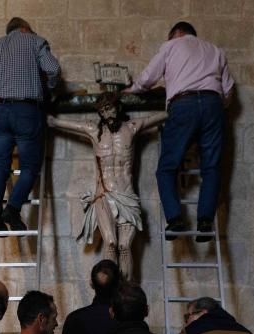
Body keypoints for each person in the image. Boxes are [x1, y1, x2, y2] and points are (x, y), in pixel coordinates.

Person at [123, 21, 234, 239]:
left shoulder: (171, 46)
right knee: (211, 167)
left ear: (177, 34)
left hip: (183, 105)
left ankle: (175, 220)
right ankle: (204, 222)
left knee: (167, 167)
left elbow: (147, 77)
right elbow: (228, 90)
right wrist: (215, 106)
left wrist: (131, 89)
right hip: (213, 104)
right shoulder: (215, 50)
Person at [48, 93, 166, 279]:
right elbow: (58, 123)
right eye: (102, 111)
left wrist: (180, 104)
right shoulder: (95, 131)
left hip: (127, 195)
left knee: (124, 246)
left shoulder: (132, 128)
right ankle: (108, 291)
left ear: (117, 108)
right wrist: (47, 117)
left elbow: (162, 116)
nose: (107, 114)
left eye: (109, 108)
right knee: (110, 242)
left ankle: (126, 290)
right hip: (104, 195)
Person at [0, 17, 61, 232]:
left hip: (0, 112)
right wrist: (50, 90)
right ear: (25, 29)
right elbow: (53, 69)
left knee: (0, 166)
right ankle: (13, 209)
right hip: (26, 111)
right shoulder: (34, 41)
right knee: (29, 166)